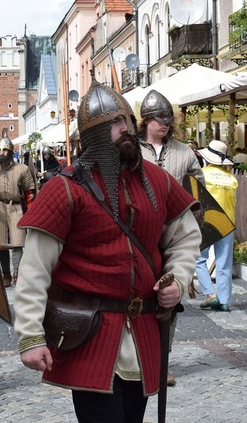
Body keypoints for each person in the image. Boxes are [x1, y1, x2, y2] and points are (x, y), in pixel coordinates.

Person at [14, 80, 201, 422]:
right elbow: (35, 267)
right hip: (91, 334)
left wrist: (177, 278)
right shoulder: (65, 189)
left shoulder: (157, 180)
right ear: (94, 136)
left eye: (128, 120)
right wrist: (30, 335)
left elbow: (185, 238)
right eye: (114, 124)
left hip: (144, 329)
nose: (126, 129)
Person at [136, 88, 204, 386]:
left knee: (170, 299)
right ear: (146, 120)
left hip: (174, 234)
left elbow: (198, 192)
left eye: (167, 118)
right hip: (139, 233)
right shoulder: (133, 151)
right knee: (140, 296)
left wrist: (193, 227)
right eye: (157, 118)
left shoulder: (184, 152)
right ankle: (138, 359)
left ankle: (161, 364)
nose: (163, 123)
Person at [0, 133, 35, 287]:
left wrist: (31, 213)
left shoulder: (22, 169)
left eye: (5, 150)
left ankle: (17, 273)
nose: (1, 153)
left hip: (16, 208)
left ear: (11, 152)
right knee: (1, 244)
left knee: (18, 243)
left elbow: (29, 192)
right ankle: (5, 274)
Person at [195, 140, 239, 312]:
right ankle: (224, 300)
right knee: (224, 262)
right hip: (228, 223)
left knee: (199, 259)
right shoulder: (231, 179)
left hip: (208, 220)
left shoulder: (202, 174)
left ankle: (209, 294)